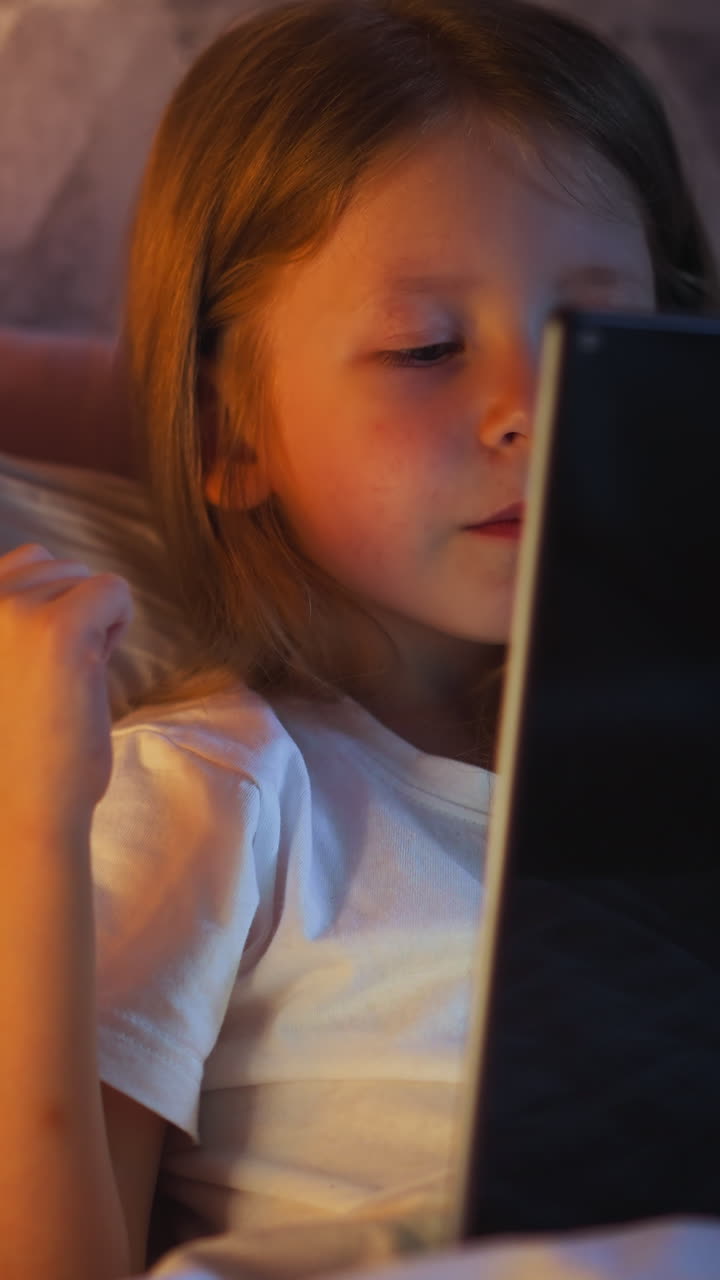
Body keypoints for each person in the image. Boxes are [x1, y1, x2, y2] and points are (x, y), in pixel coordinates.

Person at [1, 1, 717, 1277]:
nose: (529, 408)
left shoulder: (676, 760)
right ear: (230, 432)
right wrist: (35, 825)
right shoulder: (223, 791)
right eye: (426, 348)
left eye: (588, 337)